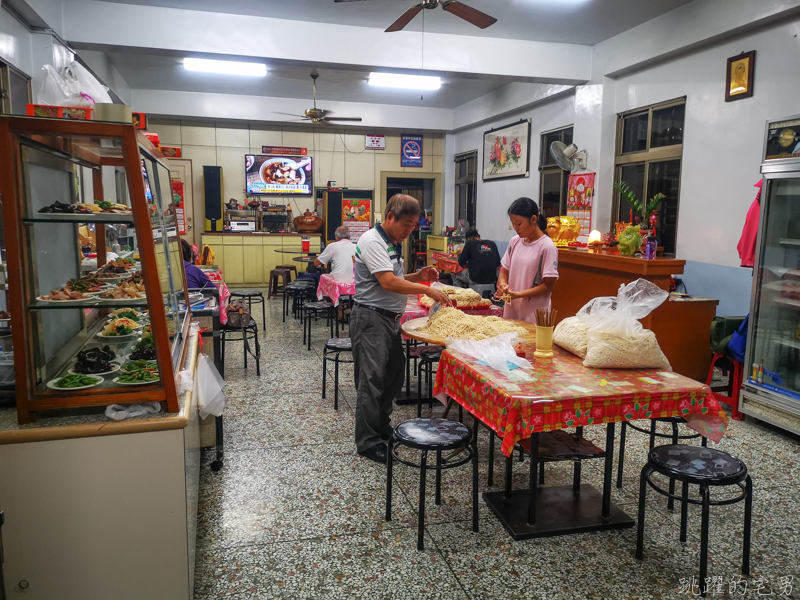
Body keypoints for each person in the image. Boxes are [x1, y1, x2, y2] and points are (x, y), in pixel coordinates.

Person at [351, 194, 453, 464]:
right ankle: (368, 440)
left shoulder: (391, 242)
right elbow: (387, 283)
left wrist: (417, 277)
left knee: (393, 376)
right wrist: (425, 288)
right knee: (371, 381)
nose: (410, 231)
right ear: (390, 217)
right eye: (406, 224)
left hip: (389, 319)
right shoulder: (372, 241)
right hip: (371, 319)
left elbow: (395, 278)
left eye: (413, 226)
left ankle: (381, 426)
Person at [495, 197, 559, 323]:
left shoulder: (547, 247)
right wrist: (502, 285)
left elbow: (548, 286)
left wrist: (518, 295)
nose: (515, 228)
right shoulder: (515, 241)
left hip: (534, 314)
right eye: (513, 224)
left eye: (519, 224)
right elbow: (505, 271)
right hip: (512, 310)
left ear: (533, 219)